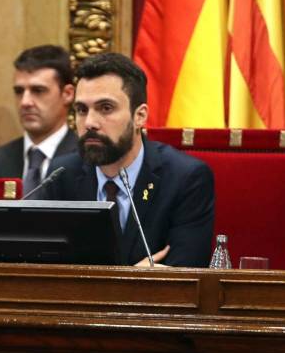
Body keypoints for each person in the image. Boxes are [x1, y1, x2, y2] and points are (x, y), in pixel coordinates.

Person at [44, 52, 214, 267]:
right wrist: (133, 277)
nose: (89, 123)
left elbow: (187, 274)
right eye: (81, 110)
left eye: (106, 108)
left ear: (139, 116)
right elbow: (48, 269)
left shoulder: (185, 179)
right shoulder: (61, 175)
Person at [0, 44, 78, 188]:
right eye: (19, 91)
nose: (25, 102)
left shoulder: (87, 160)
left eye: (38, 90)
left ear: (67, 94)